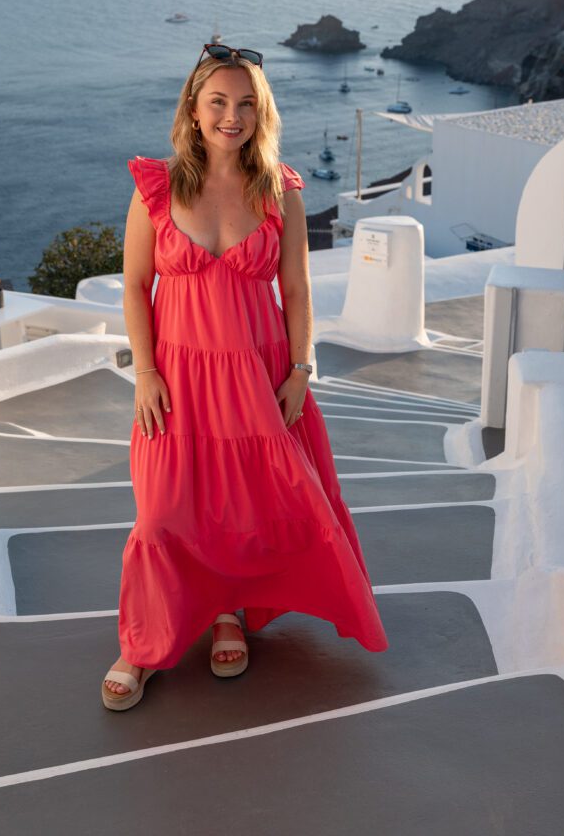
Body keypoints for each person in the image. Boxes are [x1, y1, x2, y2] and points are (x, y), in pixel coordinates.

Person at [102, 43, 388, 710]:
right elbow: (136, 287)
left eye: (247, 105)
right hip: (178, 376)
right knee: (163, 513)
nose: (233, 116)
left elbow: (298, 290)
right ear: (194, 112)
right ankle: (140, 646)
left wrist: (299, 369)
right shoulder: (156, 188)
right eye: (219, 103)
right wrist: (144, 374)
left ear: (262, 114)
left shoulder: (278, 191)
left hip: (259, 376)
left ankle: (229, 610)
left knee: (250, 508)